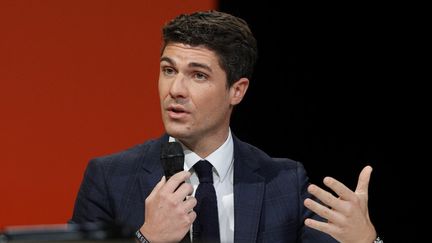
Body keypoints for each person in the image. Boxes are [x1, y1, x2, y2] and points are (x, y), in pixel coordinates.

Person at [70, 10, 379, 243]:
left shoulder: (284, 183)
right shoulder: (110, 179)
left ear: (237, 90)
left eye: (198, 75)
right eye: (168, 70)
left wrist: (368, 240)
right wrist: (146, 238)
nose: (175, 89)